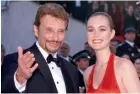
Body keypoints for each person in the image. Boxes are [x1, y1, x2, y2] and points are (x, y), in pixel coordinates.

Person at [1, 3, 79, 93]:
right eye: (49, 30)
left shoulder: (72, 70)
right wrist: (19, 79)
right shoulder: (14, 60)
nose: (55, 38)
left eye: (61, 31)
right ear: (36, 30)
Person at [84, 12, 140, 93]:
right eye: (91, 30)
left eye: (102, 29)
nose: (96, 34)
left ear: (112, 34)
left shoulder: (124, 66)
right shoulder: (87, 73)